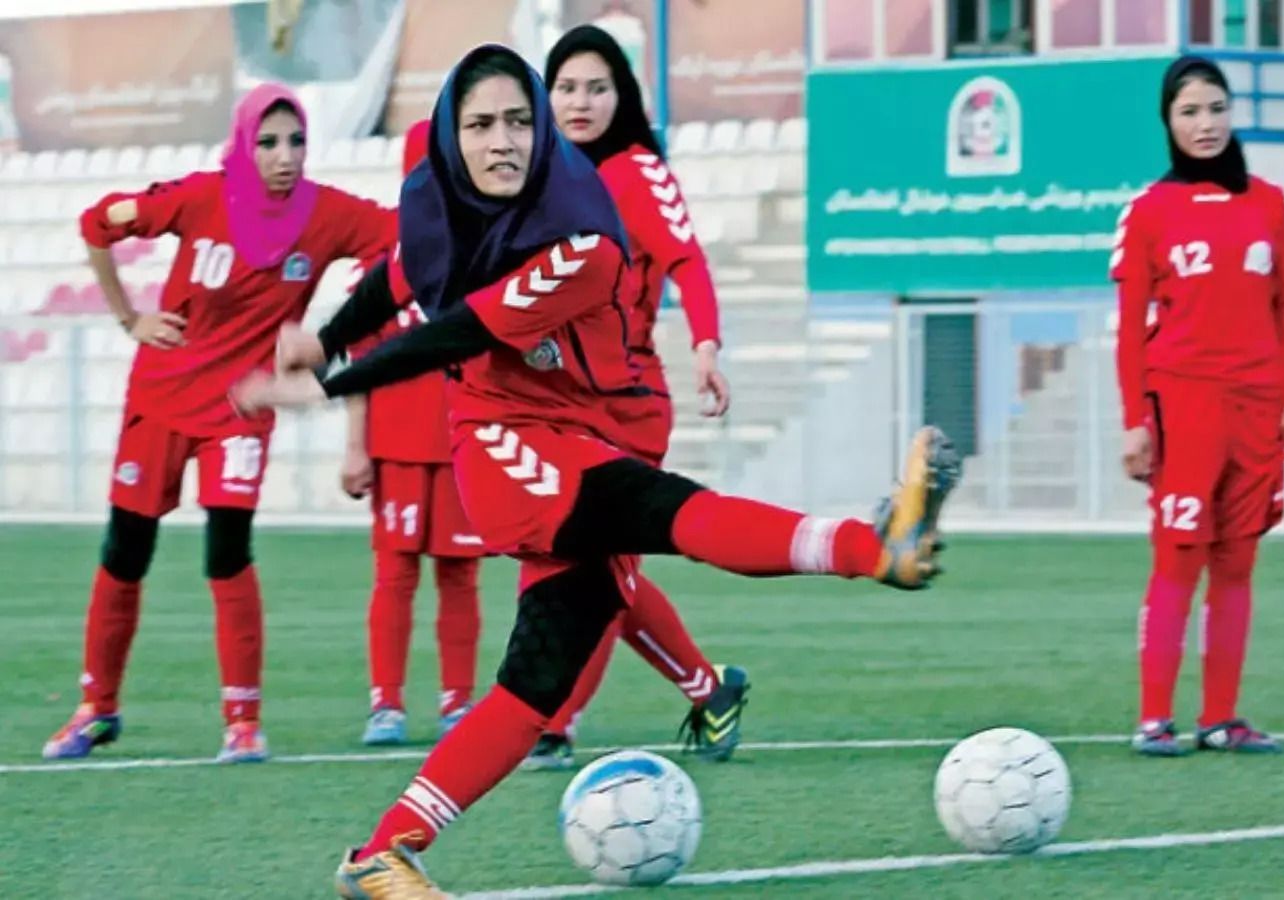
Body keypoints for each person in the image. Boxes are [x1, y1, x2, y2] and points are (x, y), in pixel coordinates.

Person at [228, 45, 956, 898]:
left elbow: (456, 330)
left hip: (571, 433)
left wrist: (326, 380)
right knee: (674, 512)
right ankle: (878, 547)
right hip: (509, 446)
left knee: (534, 682)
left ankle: (382, 854)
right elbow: (397, 278)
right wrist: (324, 341)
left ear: (540, 132)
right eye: (479, 125)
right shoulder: (441, 207)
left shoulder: (585, 241)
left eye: (517, 121)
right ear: (451, 136)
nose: (500, 141)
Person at [40, 84, 395, 763]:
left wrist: (335, 327)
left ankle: (243, 721)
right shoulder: (199, 196)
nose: (284, 156)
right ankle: (96, 709)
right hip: (160, 397)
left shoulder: (327, 214)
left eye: (295, 141)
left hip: (240, 408)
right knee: (125, 552)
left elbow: (405, 241)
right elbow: (97, 222)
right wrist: (129, 318)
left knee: (227, 553)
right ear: (243, 143)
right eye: (268, 142)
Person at [527, 23, 742, 770]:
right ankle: (708, 691)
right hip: (557, 403)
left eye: (597, 87)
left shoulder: (633, 170)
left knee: (584, 566)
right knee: (598, 569)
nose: (580, 102)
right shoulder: (539, 179)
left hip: (627, 402)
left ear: (622, 98)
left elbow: (688, 257)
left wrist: (707, 346)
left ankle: (551, 721)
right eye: (565, 87)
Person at [1111, 56, 1284, 757]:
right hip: (1185, 407)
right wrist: (1137, 418)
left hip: (1258, 410)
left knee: (1237, 564)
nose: (1206, 123)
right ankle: (1154, 718)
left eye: (1216, 108)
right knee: (1177, 559)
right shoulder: (1148, 211)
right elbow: (1131, 325)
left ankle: (1221, 718)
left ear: (1233, 114)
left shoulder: (1271, 204)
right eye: (1190, 111)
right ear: (1168, 121)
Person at [341, 119, 484, 746]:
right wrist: (355, 445)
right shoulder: (386, 262)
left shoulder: (488, 255)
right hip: (395, 443)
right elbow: (356, 355)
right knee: (393, 575)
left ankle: (457, 702)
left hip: (464, 441)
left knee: (460, 575)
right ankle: (387, 705)